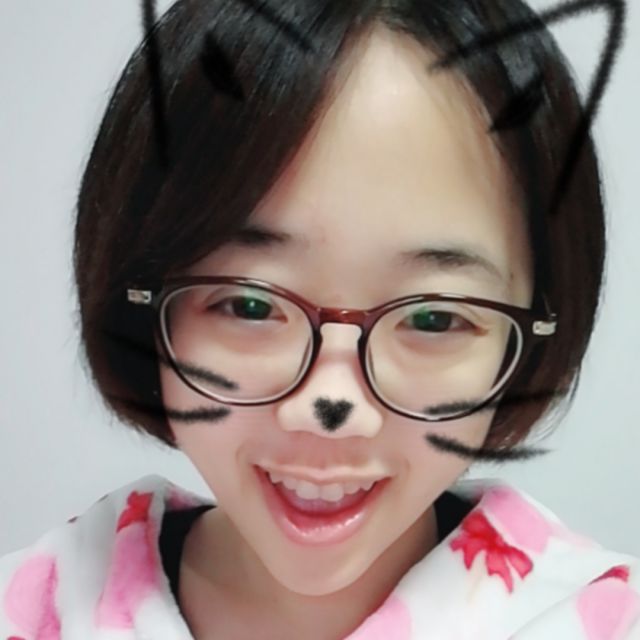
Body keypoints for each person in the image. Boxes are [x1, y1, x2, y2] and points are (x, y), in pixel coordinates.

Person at [1, 0, 638, 638]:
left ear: (534, 333)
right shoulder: (38, 608)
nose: (330, 406)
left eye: (433, 318)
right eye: (250, 305)